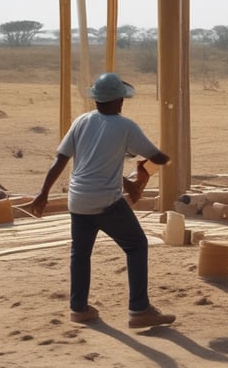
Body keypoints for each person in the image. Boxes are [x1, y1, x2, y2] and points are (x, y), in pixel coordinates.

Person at [30, 72, 175, 329]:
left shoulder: (82, 122)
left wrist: (42, 193)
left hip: (77, 199)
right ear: (119, 100)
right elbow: (158, 157)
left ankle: (78, 308)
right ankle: (140, 309)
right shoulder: (125, 126)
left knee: (80, 253)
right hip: (106, 201)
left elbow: (61, 160)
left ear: (96, 99)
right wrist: (158, 161)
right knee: (137, 245)